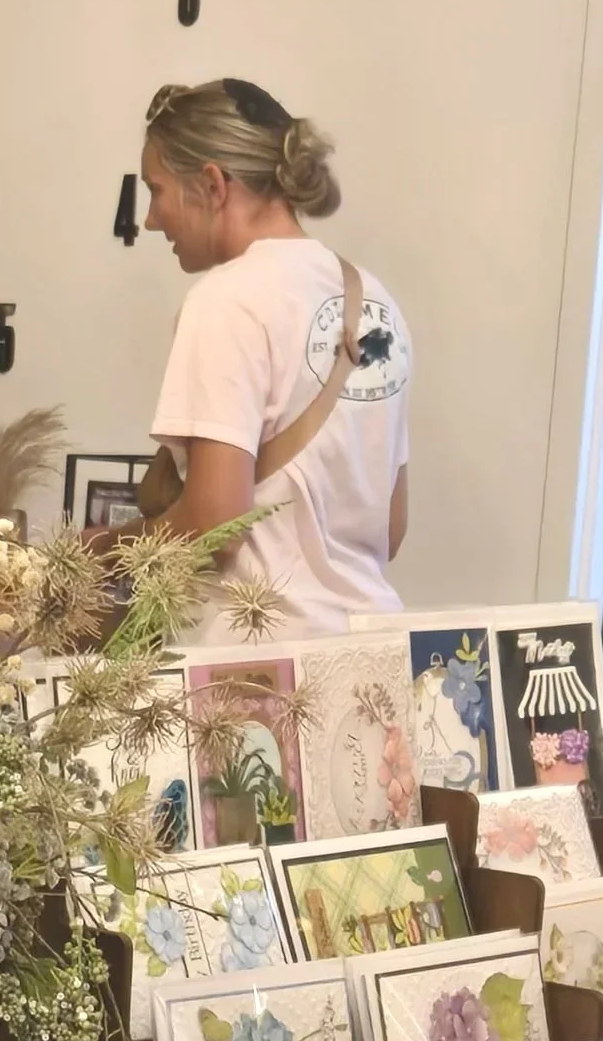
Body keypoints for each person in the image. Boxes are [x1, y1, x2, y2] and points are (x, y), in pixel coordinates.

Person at [134, 77, 412, 640]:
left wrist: (113, 551)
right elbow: (393, 523)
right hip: (372, 647)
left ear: (212, 185)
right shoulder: (375, 301)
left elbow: (217, 521)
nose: (151, 219)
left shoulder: (226, 300)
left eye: (157, 190)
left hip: (263, 667)